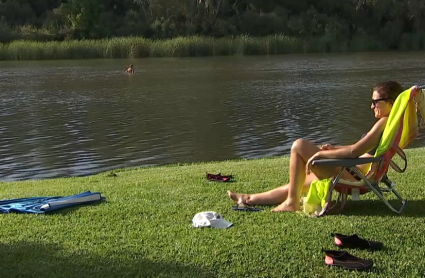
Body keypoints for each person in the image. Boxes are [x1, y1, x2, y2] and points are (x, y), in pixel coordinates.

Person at [228, 81, 419, 212]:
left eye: (375, 102)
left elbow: (355, 152)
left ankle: (292, 203)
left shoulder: (384, 122)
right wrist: (334, 149)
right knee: (297, 184)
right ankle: (248, 199)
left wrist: (322, 156)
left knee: (298, 145)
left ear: (391, 103)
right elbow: (360, 149)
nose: (371, 106)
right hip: (352, 170)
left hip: (353, 175)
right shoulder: (389, 123)